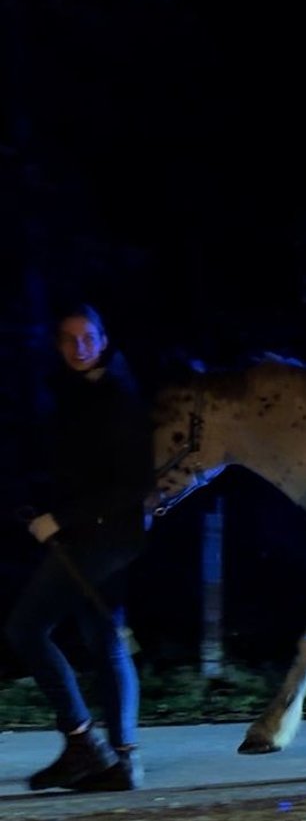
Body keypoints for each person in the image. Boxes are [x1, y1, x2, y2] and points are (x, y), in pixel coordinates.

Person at [8, 305, 155, 791]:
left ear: (103, 337)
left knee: (26, 628)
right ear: (58, 345)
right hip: (97, 536)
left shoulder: (118, 394)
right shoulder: (72, 392)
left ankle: (83, 741)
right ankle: (123, 761)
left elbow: (130, 484)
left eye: (86, 336)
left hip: (106, 538)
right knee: (104, 639)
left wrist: (61, 518)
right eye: (69, 339)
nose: (79, 346)